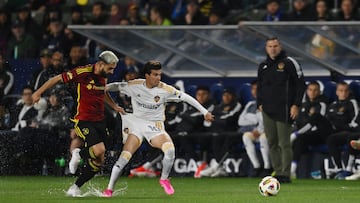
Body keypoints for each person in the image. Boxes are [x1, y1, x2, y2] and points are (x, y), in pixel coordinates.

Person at [102, 60, 214, 197]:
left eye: (160, 74)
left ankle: (164, 179)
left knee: (170, 150)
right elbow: (115, 86)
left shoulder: (165, 90)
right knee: (124, 158)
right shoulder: (134, 85)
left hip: (154, 126)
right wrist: (100, 87)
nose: (158, 78)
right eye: (155, 74)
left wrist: (205, 112)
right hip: (136, 125)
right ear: (147, 75)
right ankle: (109, 189)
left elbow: (186, 98)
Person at [32, 50, 124, 197]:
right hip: (83, 119)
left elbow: (103, 92)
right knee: (99, 150)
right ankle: (78, 153)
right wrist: (38, 93)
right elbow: (56, 79)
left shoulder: (103, 76)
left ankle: (75, 187)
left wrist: (114, 106)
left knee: (98, 160)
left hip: (99, 120)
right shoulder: (83, 72)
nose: (112, 72)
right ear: (100, 64)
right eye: (110, 68)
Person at [257, 37, 306, 183]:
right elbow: (260, 86)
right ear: (266, 48)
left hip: (284, 109)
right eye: (270, 46)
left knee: (284, 142)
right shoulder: (263, 65)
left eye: (275, 46)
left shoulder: (289, 63)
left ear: (280, 47)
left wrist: (296, 104)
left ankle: (285, 173)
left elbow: (301, 84)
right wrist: (259, 103)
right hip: (267, 109)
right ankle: (277, 171)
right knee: (271, 142)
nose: (273, 49)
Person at [290, 81, 332, 178]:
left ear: (319, 91)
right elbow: (298, 122)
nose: (312, 92)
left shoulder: (322, 104)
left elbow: (317, 123)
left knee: (299, 138)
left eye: (315, 90)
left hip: (319, 134)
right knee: (295, 140)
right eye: (310, 90)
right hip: (305, 134)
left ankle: (293, 169)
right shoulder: (303, 105)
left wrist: (296, 134)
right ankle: (290, 169)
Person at [325, 81, 360, 179]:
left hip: (352, 131)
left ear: (349, 92)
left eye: (345, 91)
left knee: (351, 138)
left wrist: (343, 126)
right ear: (336, 92)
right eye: (341, 90)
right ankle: (338, 168)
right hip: (339, 132)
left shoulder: (352, 102)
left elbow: (356, 120)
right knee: (331, 139)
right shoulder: (332, 105)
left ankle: (348, 169)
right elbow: (328, 121)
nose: (343, 93)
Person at [239, 80, 271, 177]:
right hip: (256, 130)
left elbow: (268, 120)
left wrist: (259, 127)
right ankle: (256, 166)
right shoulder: (250, 104)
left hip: (269, 132)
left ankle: (267, 167)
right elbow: (240, 121)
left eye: (258, 89)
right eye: (253, 89)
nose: (255, 91)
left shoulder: (269, 103)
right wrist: (255, 122)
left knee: (263, 137)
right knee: (246, 136)